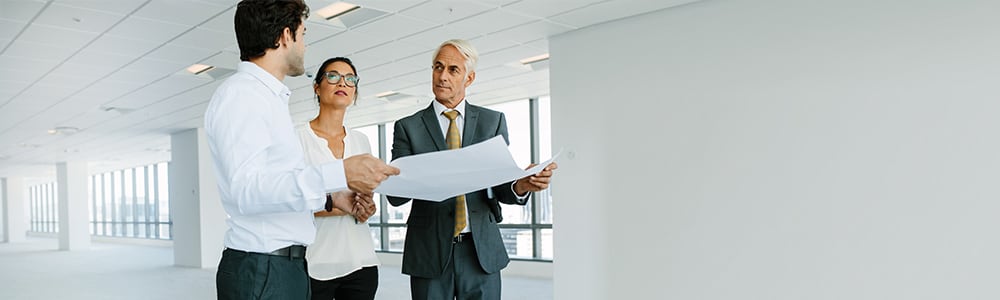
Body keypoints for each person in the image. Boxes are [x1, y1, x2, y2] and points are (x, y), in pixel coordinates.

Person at [204, 1, 398, 299]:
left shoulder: (268, 98)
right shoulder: (243, 96)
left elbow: (274, 185)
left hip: (282, 267)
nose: (305, 46)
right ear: (285, 36)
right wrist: (341, 171)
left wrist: (332, 199)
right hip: (263, 269)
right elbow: (247, 190)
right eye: (303, 34)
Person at [387, 39, 558, 300]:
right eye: (437, 67)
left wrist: (524, 183)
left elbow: (501, 186)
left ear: (469, 78)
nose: (442, 76)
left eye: (453, 69)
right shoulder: (408, 126)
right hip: (429, 251)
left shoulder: (492, 122)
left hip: (480, 252)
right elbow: (396, 196)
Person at [297, 57, 379, 300]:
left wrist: (366, 208)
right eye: (333, 76)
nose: (342, 82)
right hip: (315, 264)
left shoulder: (361, 140)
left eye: (350, 78)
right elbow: (292, 199)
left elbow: (364, 198)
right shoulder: (298, 139)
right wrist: (342, 206)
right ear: (317, 87)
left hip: (361, 261)